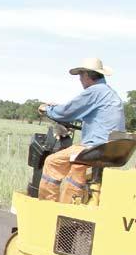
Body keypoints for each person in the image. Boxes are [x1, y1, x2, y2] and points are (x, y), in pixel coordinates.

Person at [38, 58, 125, 203]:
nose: (79, 79)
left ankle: (47, 206)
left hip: (97, 147)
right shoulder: (109, 93)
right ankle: (73, 205)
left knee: (52, 162)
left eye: (80, 75)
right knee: (78, 166)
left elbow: (66, 111)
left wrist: (47, 109)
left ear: (86, 75)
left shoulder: (94, 91)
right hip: (114, 149)